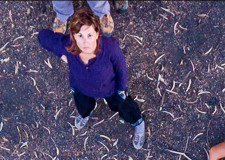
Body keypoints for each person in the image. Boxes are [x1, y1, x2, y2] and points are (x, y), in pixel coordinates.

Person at [38, 7, 145, 150]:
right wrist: (61, 54)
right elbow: (43, 36)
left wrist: (121, 89)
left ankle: (137, 122)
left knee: (123, 105)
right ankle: (86, 113)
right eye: (80, 36)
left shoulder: (110, 47)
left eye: (89, 35)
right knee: (83, 106)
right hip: (81, 87)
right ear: (73, 36)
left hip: (109, 88)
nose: (85, 42)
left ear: (97, 33)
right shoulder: (68, 45)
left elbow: (121, 69)